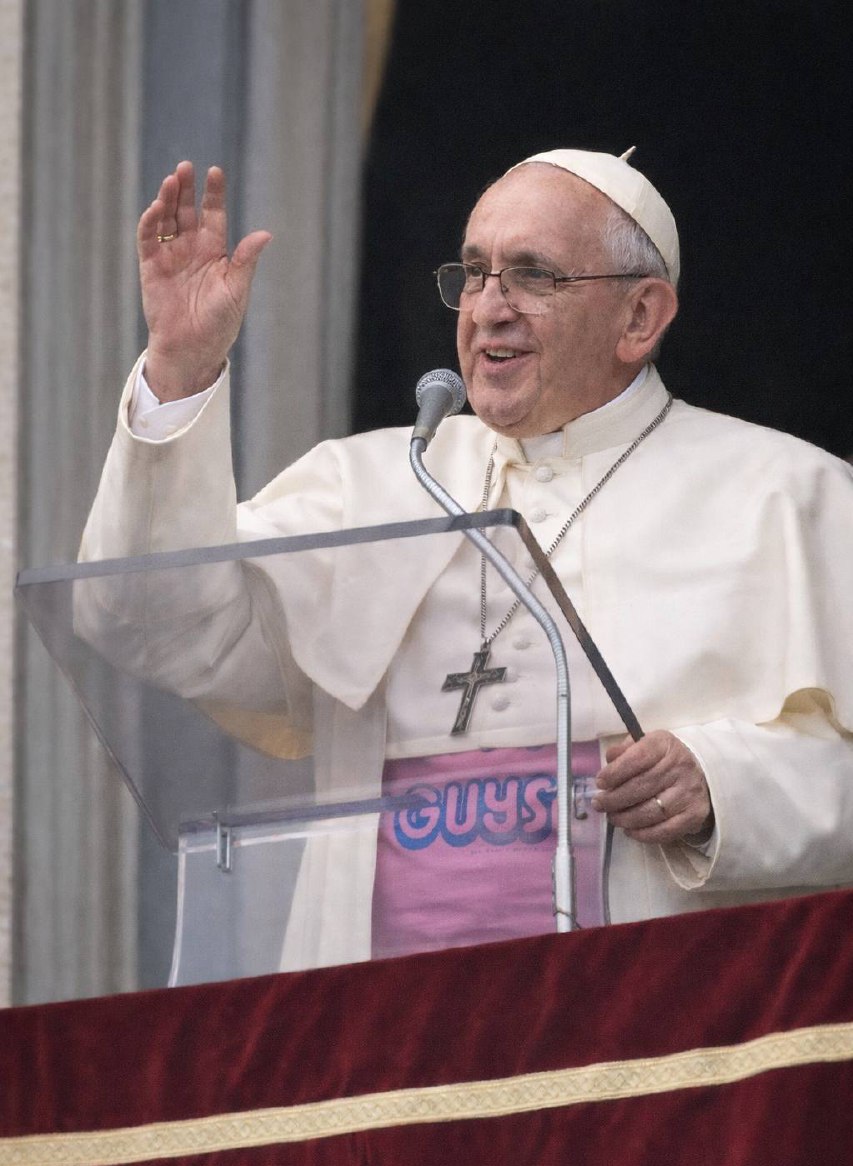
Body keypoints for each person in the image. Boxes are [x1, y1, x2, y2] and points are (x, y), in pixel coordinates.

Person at [80, 148, 853, 969]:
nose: (489, 308)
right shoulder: (368, 485)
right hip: (387, 1031)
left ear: (639, 317)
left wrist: (723, 787)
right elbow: (140, 614)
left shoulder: (787, 495)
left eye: (532, 276)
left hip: (657, 1027)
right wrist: (181, 368)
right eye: (475, 273)